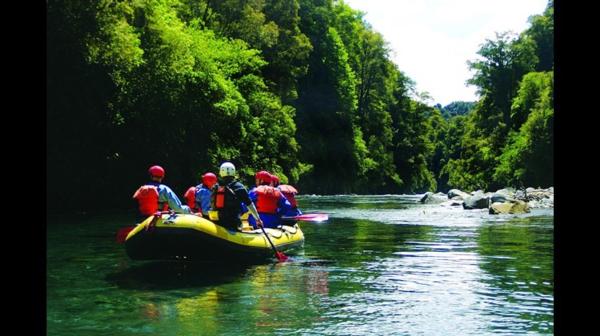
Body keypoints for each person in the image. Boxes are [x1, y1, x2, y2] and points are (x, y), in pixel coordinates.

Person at [210, 162, 263, 231]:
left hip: (217, 223)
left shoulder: (215, 187)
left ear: (221, 172)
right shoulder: (239, 187)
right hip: (233, 223)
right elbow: (249, 204)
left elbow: (212, 204)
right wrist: (258, 219)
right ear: (233, 172)